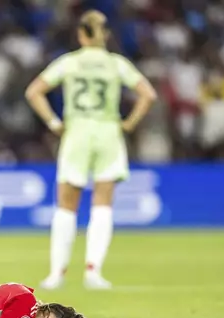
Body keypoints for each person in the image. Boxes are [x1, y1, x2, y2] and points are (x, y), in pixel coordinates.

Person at [25, 10, 157, 290]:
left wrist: (52, 121)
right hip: (108, 132)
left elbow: (34, 91)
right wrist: (130, 123)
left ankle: (56, 274)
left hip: (77, 132)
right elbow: (148, 94)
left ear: (81, 34)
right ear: (106, 34)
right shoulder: (116, 64)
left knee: (66, 205)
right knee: (103, 203)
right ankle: (93, 271)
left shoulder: (69, 62)